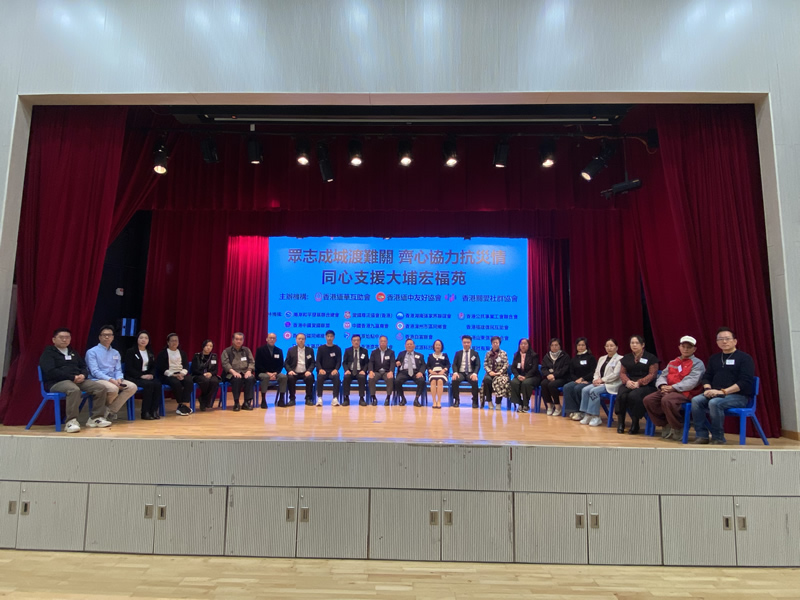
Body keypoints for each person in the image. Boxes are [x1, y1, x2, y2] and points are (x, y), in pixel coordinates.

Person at [690, 327, 755, 445]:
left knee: (714, 403)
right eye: (720, 339)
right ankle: (702, 435)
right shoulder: (714, 358)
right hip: (715, 393)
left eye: (727, 339)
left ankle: (718, 438)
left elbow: (745, 382)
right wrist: (708, 389)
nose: (724, 342)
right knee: (696, 401)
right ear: (717, 342)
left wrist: (723, 392)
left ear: (735, 341)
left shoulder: (745, 358)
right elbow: (707, 377)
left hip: (738, 396)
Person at [39, 328, 108, 433]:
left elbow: (83, 366)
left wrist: (83, 375)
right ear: (54, 339)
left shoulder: (73, 352)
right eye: (61, 337)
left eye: (67, 337)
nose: (64, 340)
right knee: (74, 390)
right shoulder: (48, 353)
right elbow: (50, 371)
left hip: (78, 380)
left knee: (100, 388)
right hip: (57, 382)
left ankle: (96, 418)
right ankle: (71, 421)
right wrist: (72, 377)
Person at [643, 335, 706, 440]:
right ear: (679, 347)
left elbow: (692, 382)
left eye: (689, 347)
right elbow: (663, 375)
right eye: (683, 347)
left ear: (694, 349)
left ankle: (678, 427)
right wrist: (662, 385)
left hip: (686, 392)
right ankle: (665, 423)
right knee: (649, 400)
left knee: (667, 400)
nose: (685, 349)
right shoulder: (673, 362)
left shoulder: (698, 364)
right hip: (668, 390)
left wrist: (673, 388)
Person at [85, 325, 137, 422]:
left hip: (114, 379)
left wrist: (119, 378)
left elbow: (118, 369)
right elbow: (94, 371)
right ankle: (103, 414)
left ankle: (109, 411)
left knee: (132, 387)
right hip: (98, 379)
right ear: (99, 337)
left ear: (113, 337)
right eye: (104, 335)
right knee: (113, 389)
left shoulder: (115, 353)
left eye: (109, 335)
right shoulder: (92, 352)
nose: (107, 337)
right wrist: (110, 380)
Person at [615, 335, 659, 434]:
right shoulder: (626, 357)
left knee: (633, 395)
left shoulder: (651, 357)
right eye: (632, 343)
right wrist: (627, 381)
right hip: (630, 382)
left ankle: (635, 423)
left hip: (646, 385)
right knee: (622, 394)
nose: (634, 345)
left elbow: (652, 374)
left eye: (636, 343)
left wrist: (639, 383)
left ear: (642, 345)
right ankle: (621, 423)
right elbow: (622, 373)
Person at [575, 339, 623, 426]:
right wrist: (595, 380)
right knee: (585, 390)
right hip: (599, 383)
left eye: (611, 346)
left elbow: (615, 375)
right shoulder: (602, 358)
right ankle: (587, 414)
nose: (609, 348)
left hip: (612, 384)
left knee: (594, 391)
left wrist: (602, 380)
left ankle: (595, 416)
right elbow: (596, 371)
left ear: (616, 347)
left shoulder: (620, 359)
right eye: (607, 346)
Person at [123, 330, 161, 420]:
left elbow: (153, 366)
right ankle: (145, 412)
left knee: (158, 384)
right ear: (137, 339)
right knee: (149, 385)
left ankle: (154, 410)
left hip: (146, 375)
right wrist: (141, 376)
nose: (143, 340)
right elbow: (129, 368)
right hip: (134, 376)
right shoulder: (131, 351)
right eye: (141, 338)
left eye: (146, 338)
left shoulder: (150, 352)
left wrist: (151, 374)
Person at [155, 333, 194, 415]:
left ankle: (184, 404)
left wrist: (182, 374)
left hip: (180, 373)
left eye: (176, 341)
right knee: (175, 382)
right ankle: (181, 404)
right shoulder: (163, 353)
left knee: (189, 381)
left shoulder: (182, 353)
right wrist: (173, 375)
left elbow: (186, 366)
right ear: (168, 342)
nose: (174, 342)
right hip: (168, 375)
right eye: (172, 341)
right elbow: (161, 368)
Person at [562, 338, 597, 418]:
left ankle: (581, 411)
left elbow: (593, 372)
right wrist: (577, 380)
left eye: (583, 345)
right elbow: (571, 373)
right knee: (567, 387)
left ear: (586, 346)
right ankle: (573, 410)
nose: (581, 347)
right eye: (579, 345)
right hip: (577, 381)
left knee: (578, 388)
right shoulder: (574, 359)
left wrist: (583, 379)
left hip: (588, 380)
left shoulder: (591, 358)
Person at [221, 332, 256, 411]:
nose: (239, 341)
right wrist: (234, 372)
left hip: (245, 372)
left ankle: (246, 402)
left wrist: (249, 371)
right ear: (233, 340)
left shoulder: (246, 350)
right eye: (237, 339)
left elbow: (252, 362)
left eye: (240, 339)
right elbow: (225, 364)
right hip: (231, 373)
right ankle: (236, 402)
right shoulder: (227, 351)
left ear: (243, 340)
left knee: (250, 379)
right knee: (237, 379)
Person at [255, 332, 287, 407]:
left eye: (273, 338)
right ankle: (263, 400)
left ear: (276, 340)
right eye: (270, 338)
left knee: (283, 377)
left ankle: (281, 399)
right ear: (267, 339)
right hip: (262, 372)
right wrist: (267, 373)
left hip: (275, 373)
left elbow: (281, 364)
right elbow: (258, 364)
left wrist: (275, 373)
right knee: (265, 377)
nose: (272, 340)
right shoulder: (260, 350)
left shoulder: (279, 350)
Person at [540, 338, 570, 416]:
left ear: (560, 346)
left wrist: (554, 375)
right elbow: (543, 368)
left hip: (562, 378)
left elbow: (565, 369)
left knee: (552, 385)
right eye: (552, 345)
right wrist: (548, 375)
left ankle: (557, 406)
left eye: (556, 345)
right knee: (543, 383)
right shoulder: (547, 356)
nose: (554, 347)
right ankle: (549, 405)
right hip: (550, 377)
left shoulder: (565, 356)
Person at [509, 338, 540, 412]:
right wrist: (518, 376)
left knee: (526, 383)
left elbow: (534, 368)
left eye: (525, 344)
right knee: (514, 382)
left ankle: (526, 404)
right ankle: (520, 403)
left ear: (528, 345)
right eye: (521, 344)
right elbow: (513, 367)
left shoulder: (534, 355)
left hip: (532, 376)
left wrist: (526, 377)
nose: (523, 345)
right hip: (520, 376)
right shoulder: (516, 355)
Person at [285, 333, 316, 406]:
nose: (301, 340)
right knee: (290, 378)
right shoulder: (291, 350)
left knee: (310, 378)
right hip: (294, 372)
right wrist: (290, 370)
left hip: (305, 372)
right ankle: (292, 399)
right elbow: (286, 363)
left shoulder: (310, 350)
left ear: (305, 340)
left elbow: (313, 362)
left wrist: (309, 371)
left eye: (303, 339)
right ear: (296, 340)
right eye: (299, 339)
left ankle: (308, 398)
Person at [395, 338, 426, 406]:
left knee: (421, 380)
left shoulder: (420, 355)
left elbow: (423, 365)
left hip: (415, 372)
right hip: (404, 372)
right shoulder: (401, 354)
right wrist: (396, 363)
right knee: (397, 381)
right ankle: (403, 398)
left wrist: (421, 372)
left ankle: (416, 399)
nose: (409, 346)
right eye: (408, 344)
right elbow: (396, 362)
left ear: (414, 346)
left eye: (411, 344)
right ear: (405, 346)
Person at [191, 339, 220, 411]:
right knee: (205, 381)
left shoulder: (214, 356)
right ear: (203, 346)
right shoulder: (197, 356)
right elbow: (194, 369)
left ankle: (203, 399)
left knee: (215, 381)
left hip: (211, 375)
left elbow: (216, 370)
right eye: (207, 345)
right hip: (199, 375)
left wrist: (210, 373)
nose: (209, 347)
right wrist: (203, 374)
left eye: (211, 346)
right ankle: (205, 400)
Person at [452, 335, 481, 408]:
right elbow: (454, 364)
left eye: (468, 342)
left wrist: (475, 373)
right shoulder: (458, 353)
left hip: (471, 373)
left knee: (474, 381)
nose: (466, 344)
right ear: (462, 343)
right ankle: (456, 400)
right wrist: (455, 372)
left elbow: (477, 365)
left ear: (471, 343)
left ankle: (475, 401)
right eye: (464, 342)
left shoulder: (475, 353)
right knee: (455, 380)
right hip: (460, 373)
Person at [316, 330, 342, 407]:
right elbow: (317, 361)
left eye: (331, 336)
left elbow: (339, 361)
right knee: (319, 377)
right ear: (325, 337)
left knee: (336, 377)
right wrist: (320, 369)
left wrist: (336, 369)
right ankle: (319, 398)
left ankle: (335, 398)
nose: (329, 338)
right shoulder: (321, 348)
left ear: (334, 337)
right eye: (328, 336)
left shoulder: (337, 348)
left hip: (333, 370)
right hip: (323, 370)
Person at [482, 336, 509, 410]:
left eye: (497, 343)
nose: (495, 344)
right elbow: (485, 364)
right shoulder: (488, 353)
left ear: (499, 343)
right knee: (487, 380)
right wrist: (490, 371)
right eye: (494, 343)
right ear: (491, 343)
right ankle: (489, 401)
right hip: (490, 373)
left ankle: (498, 403)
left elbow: (506, 365)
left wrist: (499, 372)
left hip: (500, 374)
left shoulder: (503, 353)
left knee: (500, 381)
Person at [343, 334, 370, 406]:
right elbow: (344, 362)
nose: (356, 342)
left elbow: (367, 363)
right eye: (354, 340)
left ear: (360, 341)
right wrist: (346, 370)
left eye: (358, 340)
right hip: (350, 370)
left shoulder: (364, 351)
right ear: (351, 342)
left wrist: (364, 370)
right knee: (346, 377)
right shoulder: (347, 350)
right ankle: (346, 398)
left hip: (360, 371)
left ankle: (361, 398)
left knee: (362, 377)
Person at [368, 335, 396, 406]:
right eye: (381, 341)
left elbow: (393, 363)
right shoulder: (374, 352)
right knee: (371, 378)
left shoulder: (391, 352)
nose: (383, 343)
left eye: (384, 341)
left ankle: (388, 398)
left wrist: (391, 372)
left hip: (386, 372)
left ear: (387, 342)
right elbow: (371, 362)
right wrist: (370, 371)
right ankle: (373, 397)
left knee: (390, 378)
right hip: (377, 372)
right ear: (379, 342)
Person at [426, 339, 450, 409]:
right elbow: (428, 366)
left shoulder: (445, 355)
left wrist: (443, 370)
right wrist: (430, 371)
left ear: (441, 346)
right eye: (436, 345)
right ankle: (434, 401)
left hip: (442, 373)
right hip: (433, 373)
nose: (437, 346)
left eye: (439, 345)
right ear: (434, 346)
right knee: (433, 381)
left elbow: (448, 365)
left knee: (440, 381)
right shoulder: (430, 356)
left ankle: (439, 401)